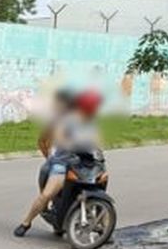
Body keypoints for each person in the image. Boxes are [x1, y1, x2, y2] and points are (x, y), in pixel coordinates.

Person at [15, 88, 102, 237]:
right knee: (47, 194)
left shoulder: (91, 124)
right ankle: (26, 222)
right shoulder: (68, 120)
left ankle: (104, 226)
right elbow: (59, 135)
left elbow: (97, 143)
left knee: (100, 189)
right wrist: (69, 144)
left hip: (84, 164)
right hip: (62, 163)